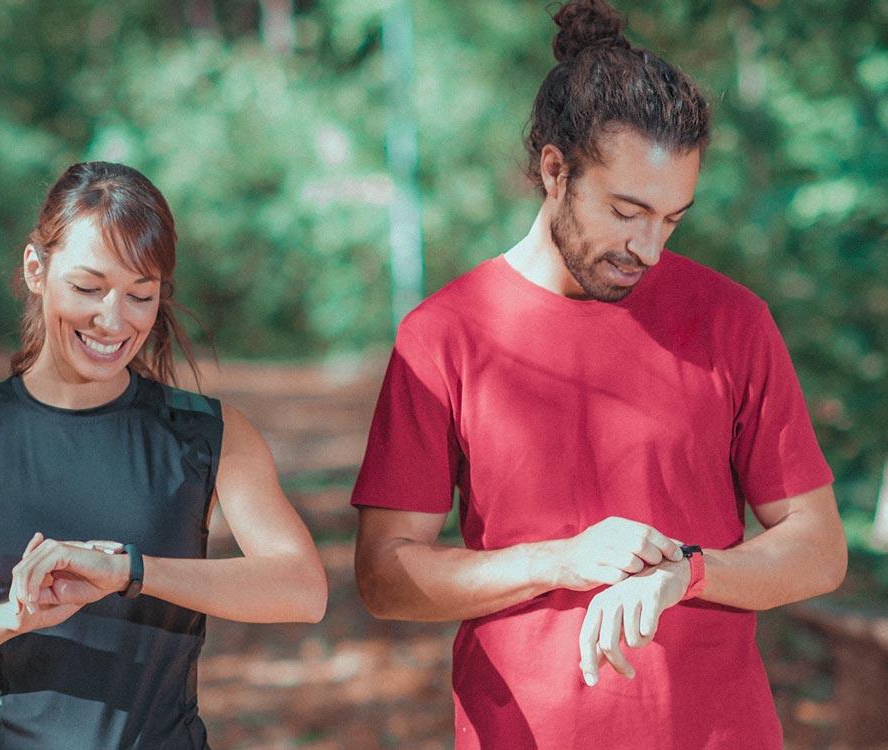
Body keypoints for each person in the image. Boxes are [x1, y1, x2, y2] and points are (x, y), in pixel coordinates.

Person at [351, 2, 847, 748]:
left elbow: (818, 548)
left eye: (672, 219)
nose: (648, 248)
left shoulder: (733, 320)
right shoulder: (443, 336)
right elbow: (386, 578)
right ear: (555, 170)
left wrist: (690, 572)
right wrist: (562, 560)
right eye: (626, 211)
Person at [0, 161, 327, 749]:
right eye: (87, 287)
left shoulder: (209, 436)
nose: (113, 319)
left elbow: (303, 591)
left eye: (141, 295)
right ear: (36, 269)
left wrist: (130, 572)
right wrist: (13, 616)